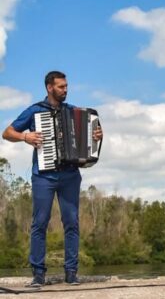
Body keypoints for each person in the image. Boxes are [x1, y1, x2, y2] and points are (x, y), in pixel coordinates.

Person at [2, 71, 103, 288]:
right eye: (61, 87)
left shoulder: (74, 111)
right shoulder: (35, 111)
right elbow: (7, 132)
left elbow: (90, 142)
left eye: (66, 86)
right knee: (39, 223)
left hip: (70, 175)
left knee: (72, 223)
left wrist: (96, 137)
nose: (65, 90)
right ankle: (38, 275)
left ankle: (71, 273)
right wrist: (25, 136)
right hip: (43, 176)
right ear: (49, 87)